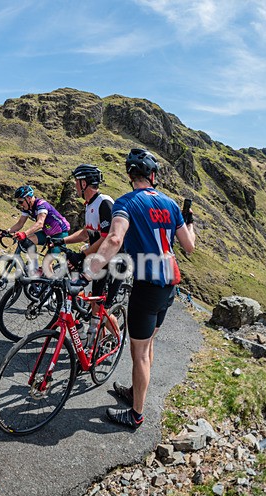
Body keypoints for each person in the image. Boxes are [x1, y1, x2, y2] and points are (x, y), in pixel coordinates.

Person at [83, 148, 195, 429]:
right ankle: (136, 393)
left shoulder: (126, 202)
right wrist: (189, 220)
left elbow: (115, 239)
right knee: (148, 344)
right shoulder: (170, 204)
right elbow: (189, 246)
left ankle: (136, 414)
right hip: (170, 284)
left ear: (130, 175)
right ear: (152, 175)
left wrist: (89, 268)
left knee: (140, 352)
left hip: (147, 286)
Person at [52, 164, 123, 345]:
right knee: (92, 304)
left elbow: (107, 237)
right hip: (99, 261)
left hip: (115, 261)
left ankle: (118, 340)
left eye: (77, 182)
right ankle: (95, 342)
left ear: (84, 183)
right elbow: (86, 233)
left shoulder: (104, 202)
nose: (75, 186)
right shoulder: (90, 205)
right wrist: (63, 241)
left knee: (100, 308)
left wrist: (82, 255)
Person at [7, 185, 70, 273]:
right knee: (28, 240)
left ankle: (52, 285)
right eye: (18, 202)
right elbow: (20, 223)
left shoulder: (41, 205)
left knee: (46, 264)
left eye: (21, 202)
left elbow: (40, 223)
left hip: (60, 234)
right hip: (47, 233)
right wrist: (6, 231)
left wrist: (24, 233)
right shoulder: (27, 208)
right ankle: (34, 270)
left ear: (28, 198)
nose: (20, 205)